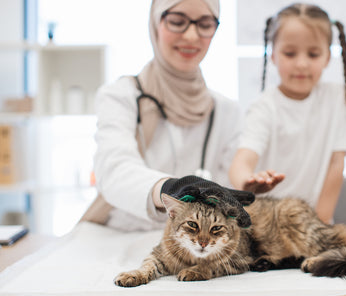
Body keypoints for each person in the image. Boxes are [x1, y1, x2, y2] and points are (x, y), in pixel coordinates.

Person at [83, 0, 252, 231]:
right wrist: (168, 188)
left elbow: (229, 188)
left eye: (205, 24)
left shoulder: (227, 111)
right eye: (177, 21)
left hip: (196, 246)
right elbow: (113, 171)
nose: (192, 36)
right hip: (120, 236)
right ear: (155, 22)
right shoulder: (120, 96)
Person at [229, 3, 346, 224]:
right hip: (268, 228)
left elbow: (335, 165)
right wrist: (247, 182)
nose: (301, 64)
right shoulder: (265, 107)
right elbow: (241, 162)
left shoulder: (336, 99)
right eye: (290, 53)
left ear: (327, 57)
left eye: (313, 54)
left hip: (315, 227)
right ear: (273, 55)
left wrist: (318, 226)